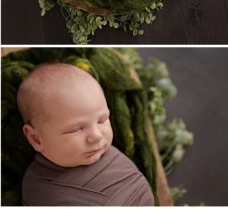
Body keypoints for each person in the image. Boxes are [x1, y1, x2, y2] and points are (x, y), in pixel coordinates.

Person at [17, 62, 154, 206]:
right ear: (36, 139)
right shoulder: (39, 190)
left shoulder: (113, 157)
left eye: (102, 120)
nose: (97, 136)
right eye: (76, 129)